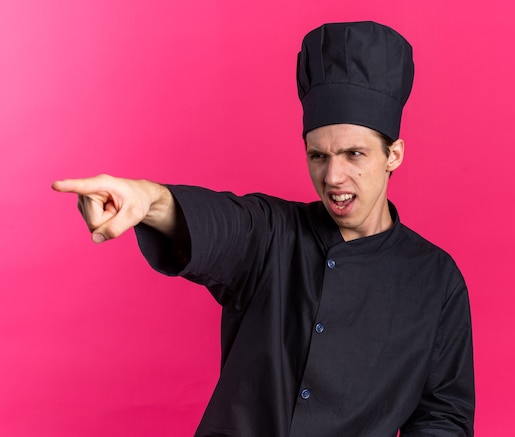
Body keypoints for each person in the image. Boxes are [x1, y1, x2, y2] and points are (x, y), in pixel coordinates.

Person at [53, 21, 474, 436]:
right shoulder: (272, 234)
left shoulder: (435, 279)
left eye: (354, 154)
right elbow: (219, 223)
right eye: (318, 156)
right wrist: (149, 199)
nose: (333, 176)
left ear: (393, 155)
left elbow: (443, 416)